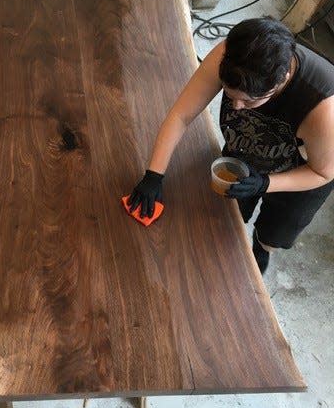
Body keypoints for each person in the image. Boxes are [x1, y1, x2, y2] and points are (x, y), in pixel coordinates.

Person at [127, 18, 334, 273]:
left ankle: (261, 249)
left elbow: (323, 172)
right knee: (231, 211)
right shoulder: (234, 56)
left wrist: (267, 183)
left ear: (283, 79)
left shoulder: (323, 109)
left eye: (248, 102)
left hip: (309, 167)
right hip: (251, 151)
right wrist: (153, 174)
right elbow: (181, 116)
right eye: (229, 95)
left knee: (276, 228)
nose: (236, 108)